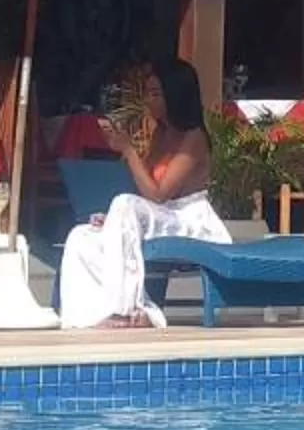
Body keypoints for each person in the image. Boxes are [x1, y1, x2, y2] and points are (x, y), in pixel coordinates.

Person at [57, 57, 229, 329]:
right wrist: (114, 219)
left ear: (175, 95)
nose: (149, 100)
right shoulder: (160, 135)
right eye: (148, 93)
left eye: (156, 93)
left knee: (124, 204)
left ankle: (126, 309)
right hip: (162, 217)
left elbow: (158, 194)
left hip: (189, 220)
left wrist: (128, 151)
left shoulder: (193, 138)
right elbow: (144, 191)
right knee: (81, 235)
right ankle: (87, 313)